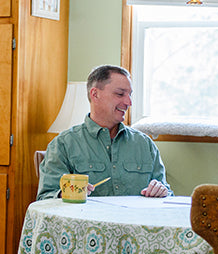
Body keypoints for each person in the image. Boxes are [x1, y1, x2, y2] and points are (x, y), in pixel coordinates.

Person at [37, 65, 172, 200]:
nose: (128, 102)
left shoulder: (145, 144)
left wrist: (161, 191)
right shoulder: (63, 145)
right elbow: (45, 199)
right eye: (120, 94)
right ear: (95, 94)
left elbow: (168, 195)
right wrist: (66, 194)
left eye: (130, 95)